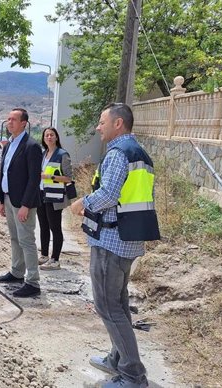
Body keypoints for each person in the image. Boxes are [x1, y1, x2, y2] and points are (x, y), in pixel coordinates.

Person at [70, 103, 160, 388]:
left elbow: (109, 193)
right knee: (118, 303)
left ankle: (133, 375)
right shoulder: (141, 154)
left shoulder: (118, 153)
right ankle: (117, 359)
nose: (99, 127)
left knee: (108, 306)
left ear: (118, 123)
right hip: (129, 239)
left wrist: (82, 203)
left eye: (102, 122)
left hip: (111, 240)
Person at [0, 108, 43, 297]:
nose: (9, 122)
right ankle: (17, 272)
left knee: (26, 241)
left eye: (14, 119)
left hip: (23, 203)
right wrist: (0, 198)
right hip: (8, 198)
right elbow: (4, 174)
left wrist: (26, 205)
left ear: (24, 123)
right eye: (8, 119)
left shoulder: (31, 146)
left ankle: (33, 282)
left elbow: (33, 179)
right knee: (15, 238)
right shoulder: (8, 145)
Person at [37, 127, 74, 271]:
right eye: (46, 135)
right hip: (42, 194)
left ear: (56, 137)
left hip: (55, 196)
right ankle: (44, 255)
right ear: (44, 138)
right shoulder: (43, 154)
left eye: (52, 135)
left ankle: (55, 259)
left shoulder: (62, 154)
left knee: (55, 228)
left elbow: (69, 177)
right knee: (43, 226)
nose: (49, 137)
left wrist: (50, 177)